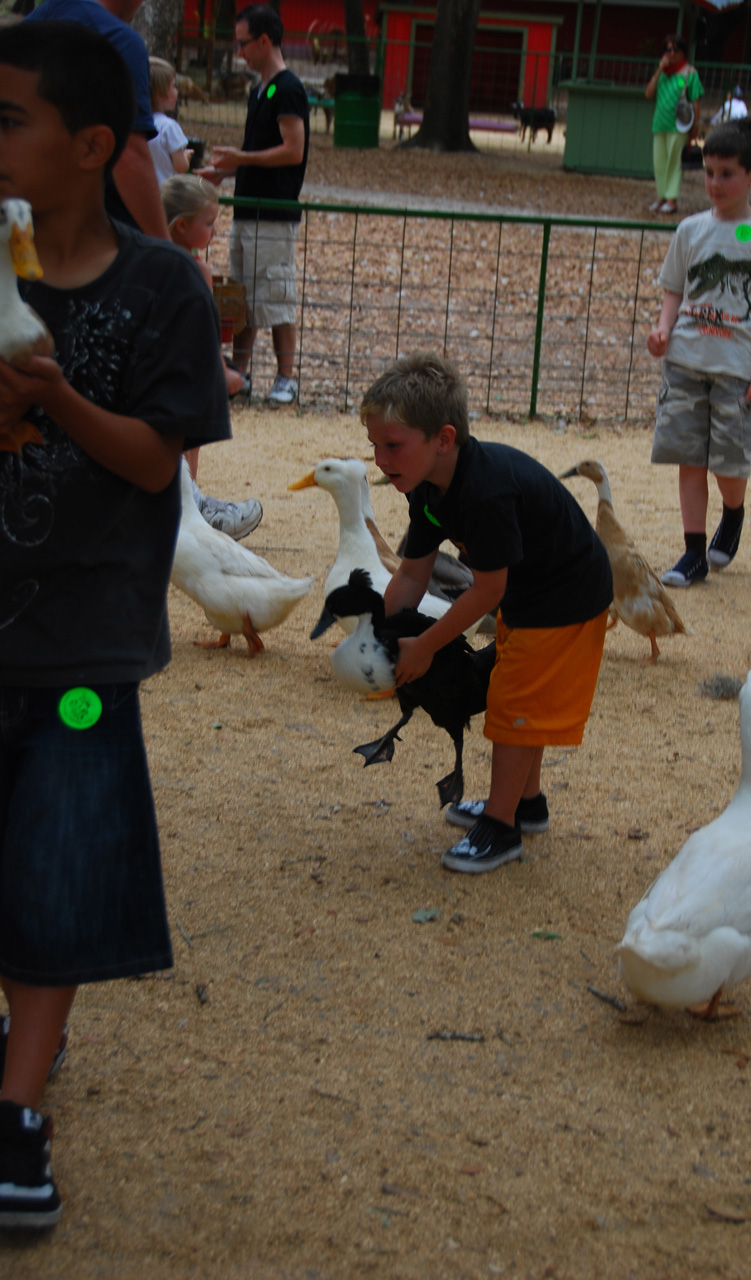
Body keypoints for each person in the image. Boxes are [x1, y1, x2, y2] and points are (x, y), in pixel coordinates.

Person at [0, 21, 231, 1228]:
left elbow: (155, 462)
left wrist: (53, 402)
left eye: (8, 120)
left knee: (58, 861)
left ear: (92, 144)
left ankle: (17, 1108)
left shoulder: (160, 287)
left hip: (83, 652)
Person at [360, 353, 613, 875]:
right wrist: (385, 638)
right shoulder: (428, 489)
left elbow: (489, 587)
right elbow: (411, 574)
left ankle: (501, 828)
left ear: (443, 439)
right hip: (533, 595)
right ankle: (527, 804)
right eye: (375, 446)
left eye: (393, 445)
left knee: (514, 706)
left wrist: (425, 646)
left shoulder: (485, 490)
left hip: (564, 599)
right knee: (523, 697)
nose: (381, 460)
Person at [646, 116, 751, 588]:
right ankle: (694, 553)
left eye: (726, 173)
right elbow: (674, 289)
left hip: (736, 367)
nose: (714, 183)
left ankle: (733, 511)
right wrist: (663, 328)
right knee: (690, 457)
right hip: (686, 359)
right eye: (708, 172)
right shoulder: (690, 229)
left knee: (727, 463)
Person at [201, 4, 309, 406]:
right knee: (244, 297)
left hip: (274, 213)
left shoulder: (289, 88)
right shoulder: (260, 89)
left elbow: (292, 151)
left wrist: (240, 160)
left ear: (265, 41)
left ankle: (286, 377)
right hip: (248, 208)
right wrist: (222, 173)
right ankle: (240, 372)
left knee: (276, 293)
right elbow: (259, 152)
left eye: (244, 43)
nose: (240, 51)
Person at [161, 174, 264, 539]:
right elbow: (202, 331)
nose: (216, 232)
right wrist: (222, 371)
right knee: (191, 431)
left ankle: (184, 502)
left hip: (157, 369)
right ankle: (191, 506)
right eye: (210, 223)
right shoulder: (197, 270)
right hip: (186, 369)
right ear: (183, 225)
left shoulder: (144, 261)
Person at [26, 0, 169, 238]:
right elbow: (129, 155)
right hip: (89, 240)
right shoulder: (116, 39)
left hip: (23, 228)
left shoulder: (30, 28)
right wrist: (165, 249)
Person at [644, 34, 703, 216]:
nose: (670, 53)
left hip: (679, 124)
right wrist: (659, 70)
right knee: (659, 162)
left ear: (682, 52)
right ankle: (661, 196)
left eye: (674, 50)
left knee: (674, 162)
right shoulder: (663, 72)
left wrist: (695, 126)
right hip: (660, 122)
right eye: (667, 49)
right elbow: (648, 93)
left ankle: (671, 199)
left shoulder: (690, 73)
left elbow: (695, 101)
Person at [148, 56, 192, 187]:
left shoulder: (137, 124)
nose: (177, 91)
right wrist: (186, 156)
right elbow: (181, 166)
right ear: (159, 93)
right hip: (165, 194)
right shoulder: (169, 126)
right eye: (173, 86)